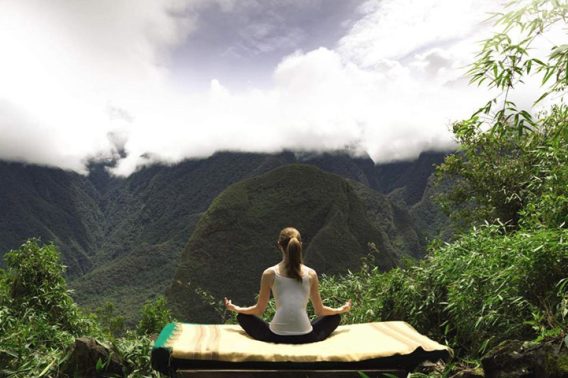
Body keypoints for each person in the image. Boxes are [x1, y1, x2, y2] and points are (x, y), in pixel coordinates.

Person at [224, 226, 352, 344]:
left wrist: (236, 308)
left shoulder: (270, 273)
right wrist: (340, 310)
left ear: (279, 245)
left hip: (275, 336)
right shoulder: (311, 274)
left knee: (243, 317)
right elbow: (320, 311)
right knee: (334, 318)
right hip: (306, 336)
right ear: (300, 245)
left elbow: (259, 310)